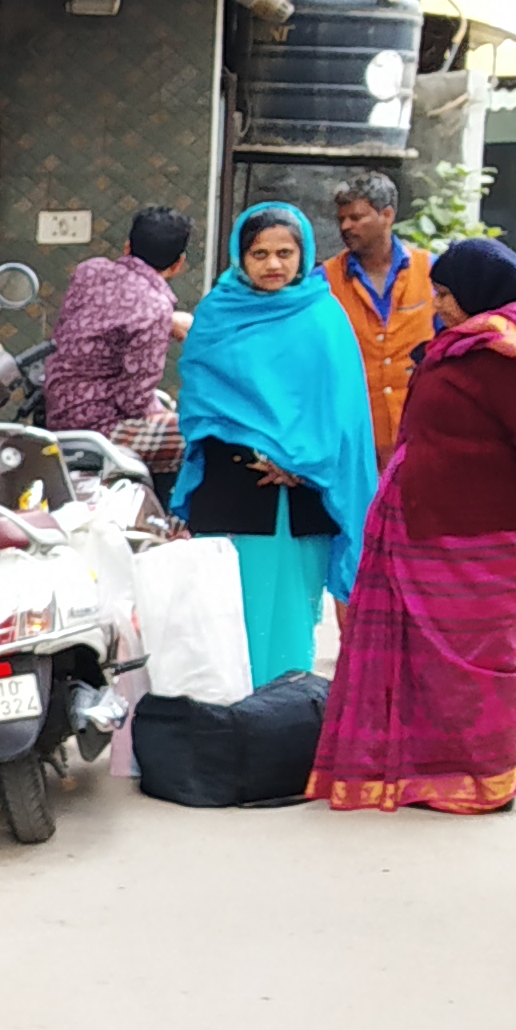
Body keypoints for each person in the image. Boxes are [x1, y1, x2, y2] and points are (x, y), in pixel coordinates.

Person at [306, 240, 516, 814]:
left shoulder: (510, 358)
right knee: (427, 669)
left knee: (482, 667)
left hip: (486, 540)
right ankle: (429, 775)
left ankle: (482, 779)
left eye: (445, 293)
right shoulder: (463, 348)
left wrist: (495, 499)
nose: (437, 304)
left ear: (480, 292)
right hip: (429, 529)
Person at [173, 203, 380, 689]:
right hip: (229, 488)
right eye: (259, 253)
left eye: (285, 253)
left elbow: (345, 412)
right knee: (225, 621)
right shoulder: (217, 314)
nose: (273, 265)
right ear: (238, 257)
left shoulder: (324, 316)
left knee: (289, 618)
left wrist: (303, 466)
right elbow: (200, 404)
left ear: (303, 253)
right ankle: (228, 733)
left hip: (303, 493)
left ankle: (278, 725)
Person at [41, 205, 193, 481]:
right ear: (178, 264)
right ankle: (172, 522)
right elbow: (133, 401)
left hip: (57, 410)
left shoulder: (89, 271)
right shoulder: (155, 309)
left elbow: (106, 319)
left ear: (127, 247)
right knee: (202, 436)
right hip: (100, 428)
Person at [322, 170, 441, 458]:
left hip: (420, 435)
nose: (346, 226)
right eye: (342, 219)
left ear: (386, 216)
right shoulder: (324, 281)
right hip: (351, 438)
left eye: (357, 217)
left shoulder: (432, 272)